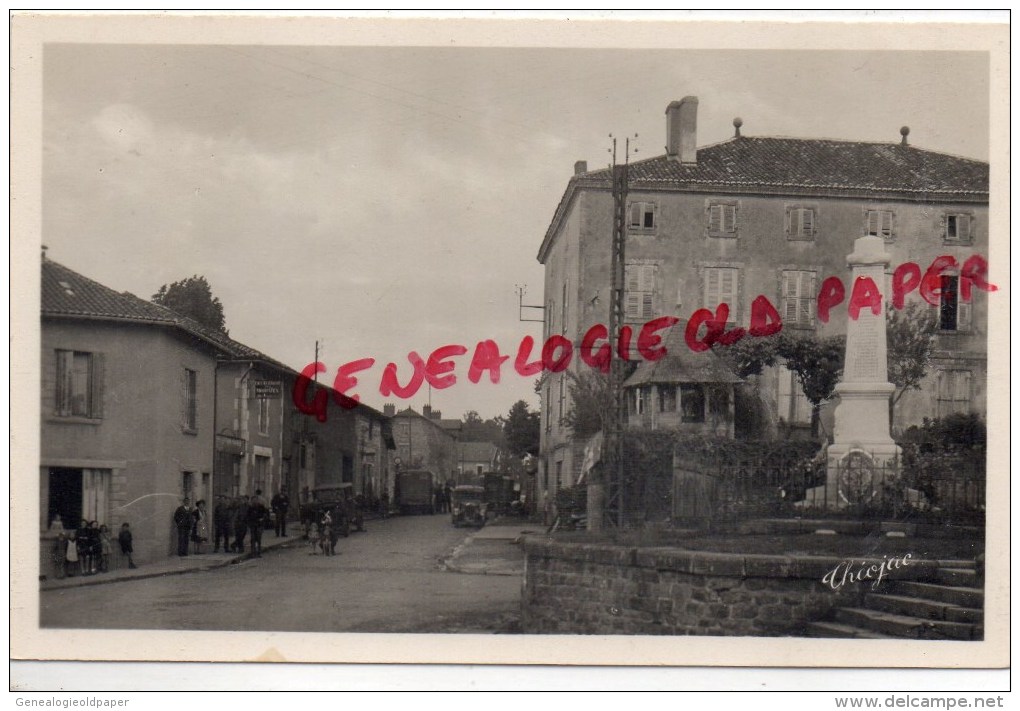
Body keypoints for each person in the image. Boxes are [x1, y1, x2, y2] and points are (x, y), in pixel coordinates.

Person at [247, 489, 269, 558]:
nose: (255, 501)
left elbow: (266, 514)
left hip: (259, 525)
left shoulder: (261, 507)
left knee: (258, 539)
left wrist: (262, 519)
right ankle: (253, 552)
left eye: (256, 500)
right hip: (253, 525)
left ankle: (259, 552)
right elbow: (248, 516)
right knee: (253, 539)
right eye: (253, 500)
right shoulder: (250, 508)